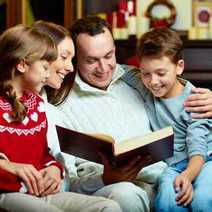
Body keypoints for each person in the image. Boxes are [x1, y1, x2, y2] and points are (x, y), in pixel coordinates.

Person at [46, 16, 212, 212]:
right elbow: (66, 181)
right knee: (127, 194)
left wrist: (207, 98)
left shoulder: (136, 77)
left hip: (165, 173)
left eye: (109, 55)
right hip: (113, 186)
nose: (104, 68)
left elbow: (172, 86)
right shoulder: (61, 103)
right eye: (91, 60)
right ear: (75, 58)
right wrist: (105, 178)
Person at [0, 24, 122, 212]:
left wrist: (54, 168)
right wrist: (10, 167)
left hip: (42, 193)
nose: (49, 74)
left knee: (109, 207)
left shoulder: (37, 106)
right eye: (45, 67)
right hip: (8, 193)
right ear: (23, 64)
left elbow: (44, 154)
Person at [122, 27, 212, 211]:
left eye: (161, 73)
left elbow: (198, 150)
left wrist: (187, 176)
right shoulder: (143, 83)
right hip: (173, 164)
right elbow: (115, 69)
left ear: (179, 66)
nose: (153, 81)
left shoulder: (195, 101)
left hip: (204, 159)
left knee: (203, 198)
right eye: (146, 73)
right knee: (166, 199)